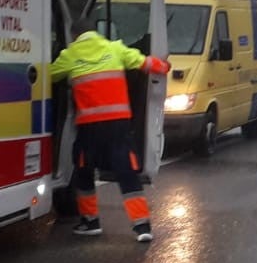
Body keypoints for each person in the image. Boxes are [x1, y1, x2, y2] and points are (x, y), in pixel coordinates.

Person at [49, 22, 171, 241]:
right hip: (118, 125)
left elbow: (49, 76)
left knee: (84, 172)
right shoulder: (115, 48)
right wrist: (164, 66)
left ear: (73, 35)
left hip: (89, 127)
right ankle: (142, 227)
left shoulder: (69, 55)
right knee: (126, 172)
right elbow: (145, 63)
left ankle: (90, 221)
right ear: (95, 32)